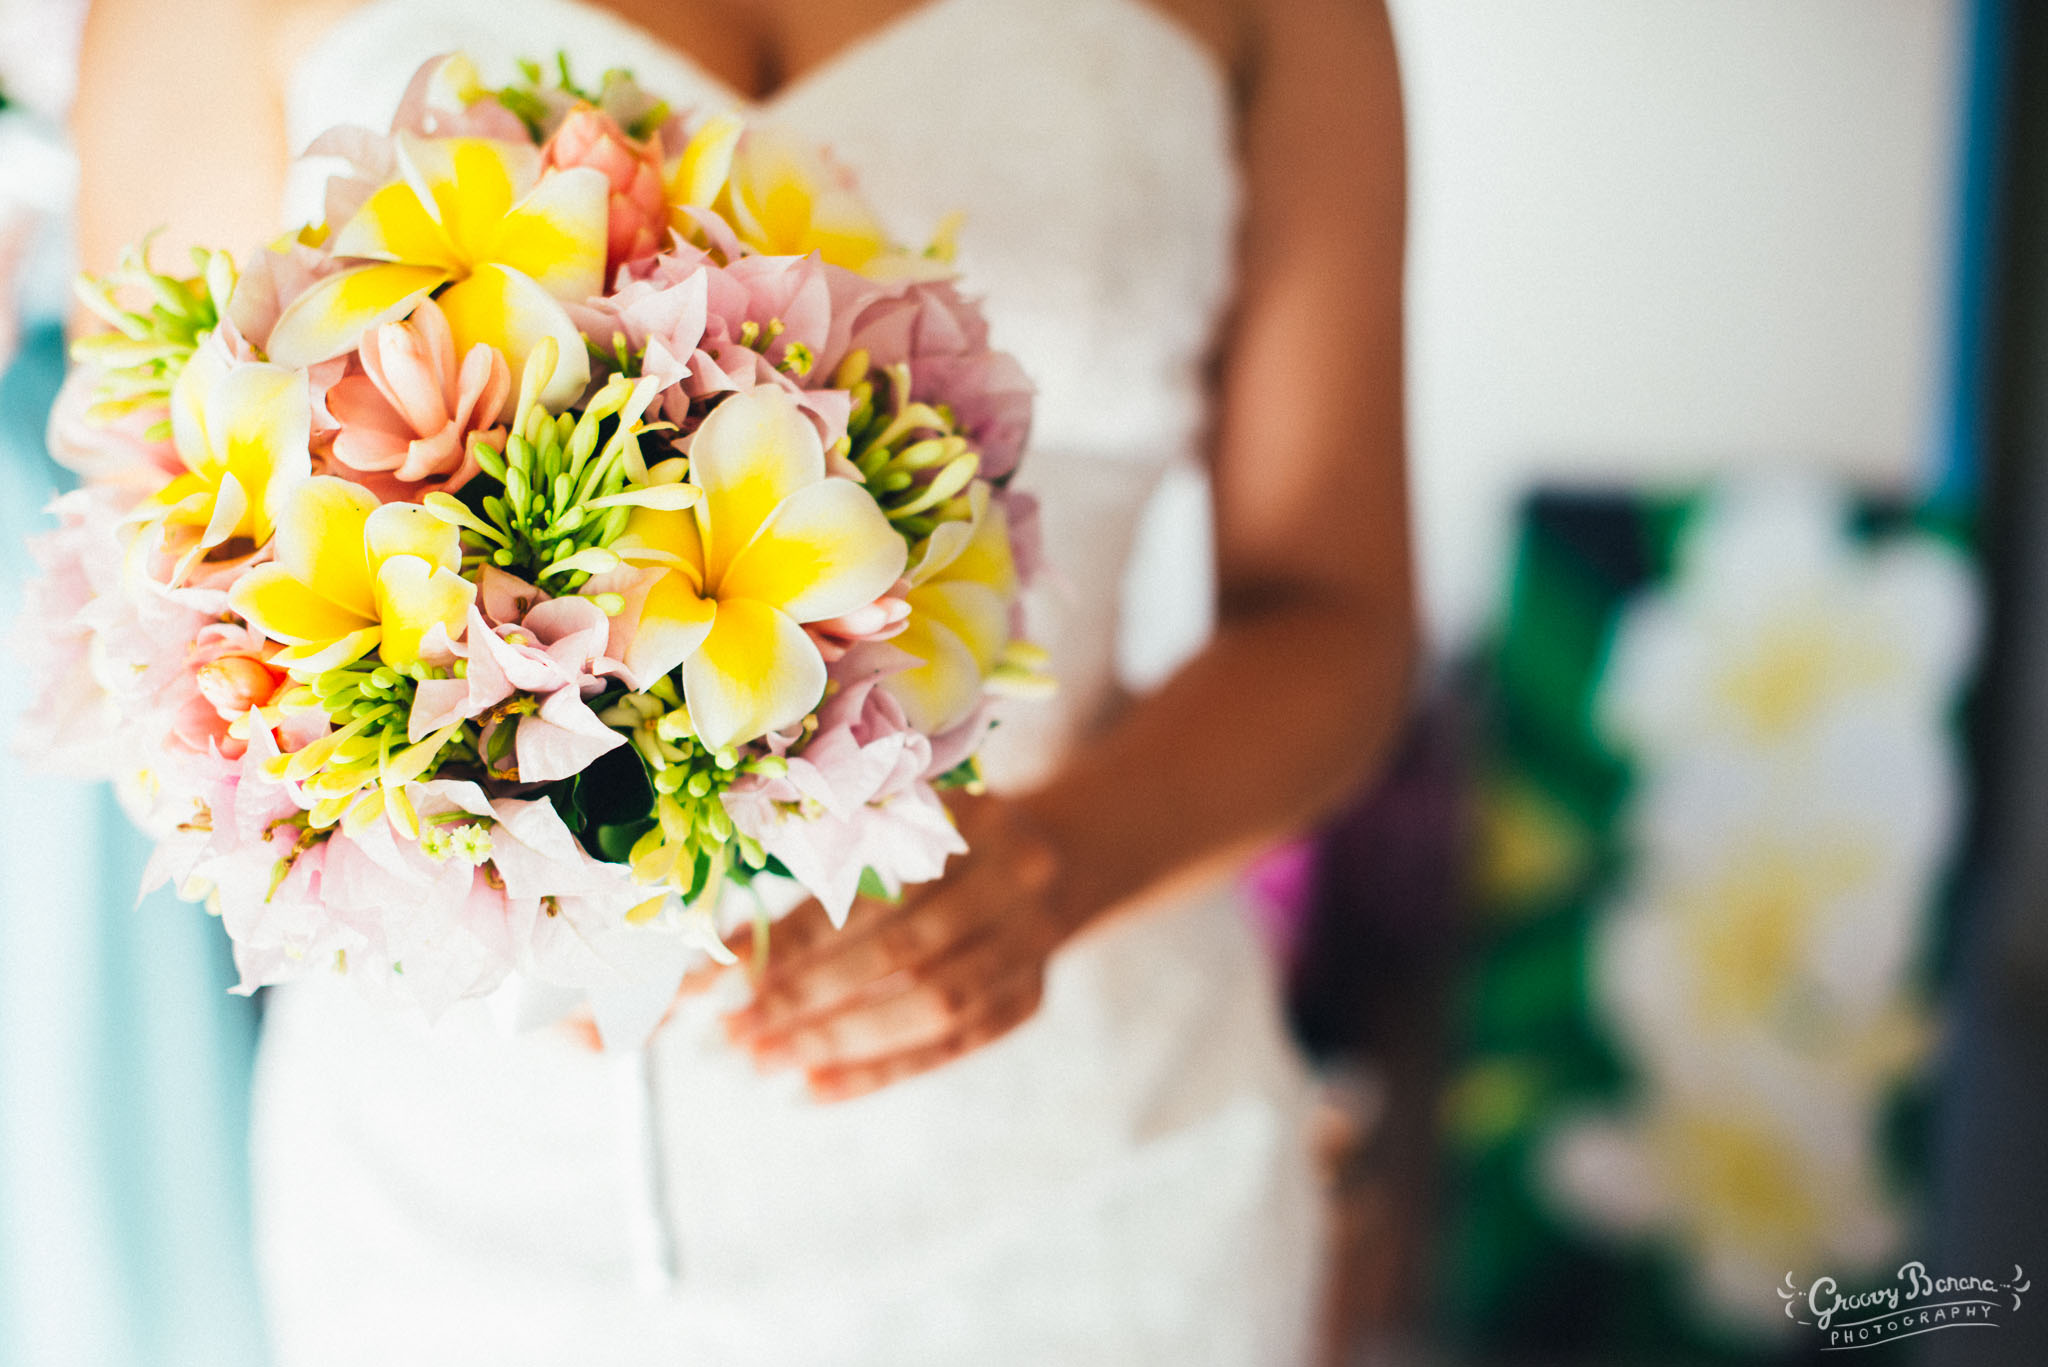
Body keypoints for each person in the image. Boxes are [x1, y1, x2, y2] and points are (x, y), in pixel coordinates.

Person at [70, 0, 1414, 1361]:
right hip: (468, 1202)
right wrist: (490, 878)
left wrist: (1056, 868)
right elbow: (155, 594)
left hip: (1083, 1168)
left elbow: (1339, 619)